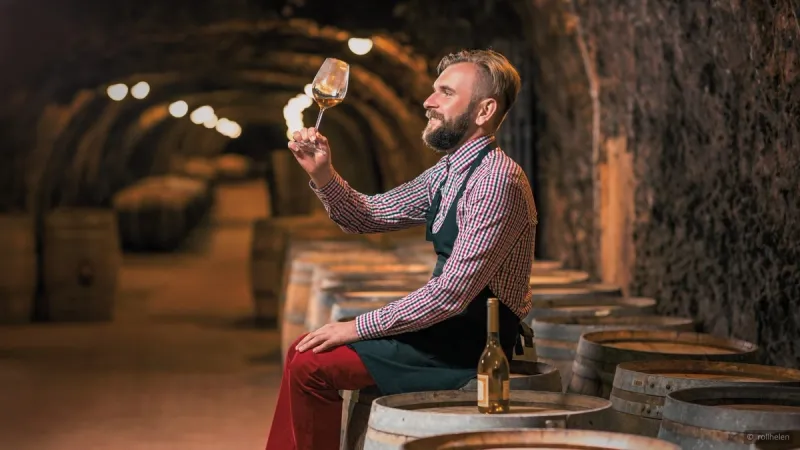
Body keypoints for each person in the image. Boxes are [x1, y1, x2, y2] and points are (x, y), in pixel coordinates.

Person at [265, 49, 538, 450]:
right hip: (443, 331)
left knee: (310, 365)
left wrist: (355, 326)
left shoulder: (497, 181)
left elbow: (449, 296)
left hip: (472, 345)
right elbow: (369, 215)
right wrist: (323, 175)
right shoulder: (449, 171)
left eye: (445, 93)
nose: (428, 102)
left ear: (484, 111)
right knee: (301, 352)